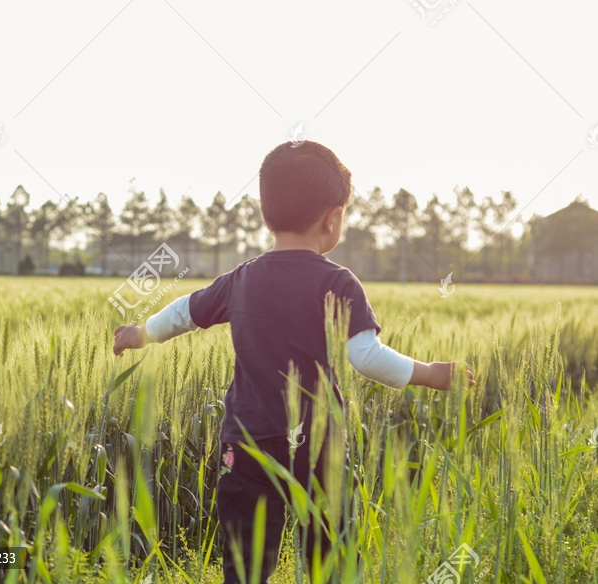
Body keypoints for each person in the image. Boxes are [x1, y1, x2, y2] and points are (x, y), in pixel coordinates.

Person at [112, 140, 476, 583]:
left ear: (268, 214)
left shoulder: (240, 279)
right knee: (331, 555)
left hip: (245, 444)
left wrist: (140, 334)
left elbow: (184, 312)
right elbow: (365, 357)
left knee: (245, 563)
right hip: (318, 444)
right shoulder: (338, 282)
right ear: (333, 218)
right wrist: (432, 374)